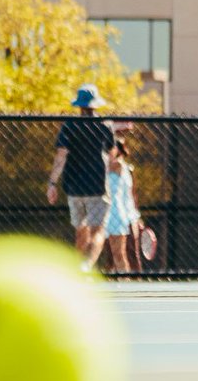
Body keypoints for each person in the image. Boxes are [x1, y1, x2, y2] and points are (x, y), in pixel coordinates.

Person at [46, 83, 115, 273]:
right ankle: (86, 266)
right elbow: (112, 154)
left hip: (74, 187)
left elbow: (61, 155)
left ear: (79, 105)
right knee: (98, 231)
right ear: (95, 105)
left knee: (81, 231)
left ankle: (77, 269)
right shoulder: (105, 125)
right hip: (97, 186)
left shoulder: (70, 126)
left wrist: (52, 183)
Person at [103, 135, 141, 275]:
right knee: (110, 257)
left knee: (123, 253)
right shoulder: (105, 164)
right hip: (104, 214)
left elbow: (132, 195)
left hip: (119, 216)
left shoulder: (119, 166)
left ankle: (131, 282)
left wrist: (136, 217)